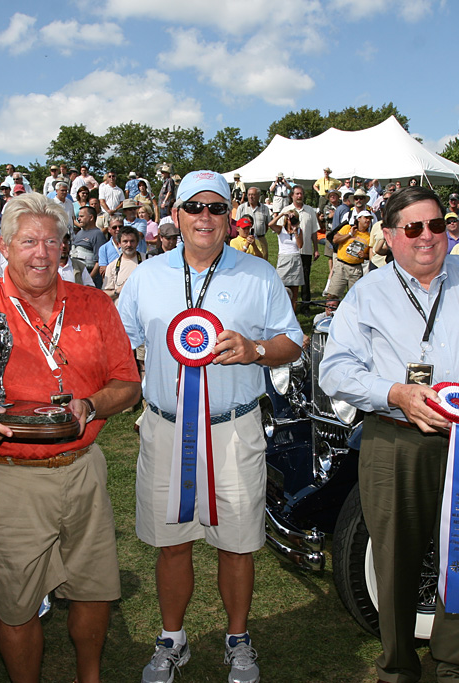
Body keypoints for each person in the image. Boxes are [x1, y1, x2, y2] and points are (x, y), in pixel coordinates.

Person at [318, 185, 459, 683]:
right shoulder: (367, 292)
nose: (427, 237)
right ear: (388, 236)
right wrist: (395, 393)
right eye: (413, 228)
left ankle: (457, 667)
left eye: (437, 225)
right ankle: (398, 666)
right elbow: (336, 371)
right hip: (395, 439)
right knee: (395, 559)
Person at [0, 192, 141, 683]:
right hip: (7, 477)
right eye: (29, 241)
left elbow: (128, 385)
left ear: (65, 247)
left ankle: (90, 677)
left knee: (95, 589)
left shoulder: (94, 305)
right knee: (16, 606)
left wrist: (92, 405)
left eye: (52, 242)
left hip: (83, 471)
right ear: (5, 245)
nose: (41, 253)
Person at [117, 170, 302, 683]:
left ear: (229, 218)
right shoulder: (148, 275)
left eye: (216, 208)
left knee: (236, 542)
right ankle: (172, 638)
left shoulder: (258, 274)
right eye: (194, 207)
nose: (205, 217)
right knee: (171, 541)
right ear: (175, 215)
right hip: (166, 428)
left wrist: (256, 349)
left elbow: (293, 340)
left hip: (233, 429)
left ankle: (238, 640)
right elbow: (117, 340)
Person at [325, 209, 372, 298]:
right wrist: (350, 234)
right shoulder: (347, 228)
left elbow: (370, 255)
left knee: (355, 297)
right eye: (366, 218)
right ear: (359, 219)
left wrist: (364, 255)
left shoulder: (369, 237)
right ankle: (330, 311)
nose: (368, 220)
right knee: (333, 294)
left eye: (370, 219)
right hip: (341, 266)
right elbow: (335, 240)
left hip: (356, 269)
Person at [268, 202, 305, 309]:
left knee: (294, 292)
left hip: (295, 258)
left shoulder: (299, 230)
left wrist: (296, 232)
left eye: (293, 218)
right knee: (280, 289)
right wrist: (282, 214)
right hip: (284, 259)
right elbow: (270, 225)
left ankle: (293, 314)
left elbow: (300, 245)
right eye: (290, 218)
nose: (291, 220)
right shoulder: (281, 229)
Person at [101, 226, 143, 301]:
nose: (129, 245)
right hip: (121, 311)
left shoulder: (147, 260)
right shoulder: (112, 266)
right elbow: (105, 295)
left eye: (132, 241)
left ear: (137, 243)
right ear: (119, 243)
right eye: (125, 241)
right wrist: (119, 290)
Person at [236, 186, 271, 259]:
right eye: (249, 195)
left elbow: (267, 224)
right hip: (245, 239)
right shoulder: (241, 208)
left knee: (263, 260)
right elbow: (237, 224)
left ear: (258, 196)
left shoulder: (265, 208)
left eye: (253, 195)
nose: (251, 197)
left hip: (260, 238)